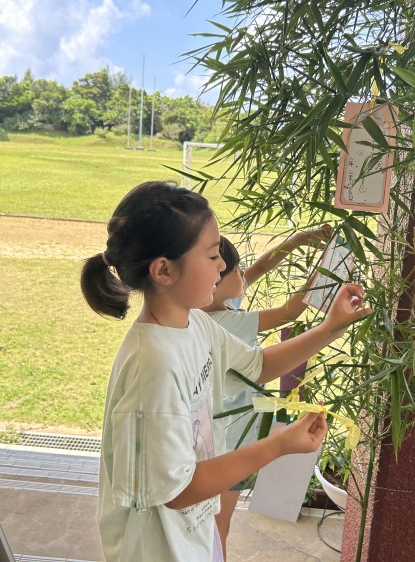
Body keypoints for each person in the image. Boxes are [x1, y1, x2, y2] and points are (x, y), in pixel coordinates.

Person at [81, 181, 369, 561]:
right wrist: (279, 445)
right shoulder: (152, 366)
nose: (223, 266)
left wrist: (329, 328)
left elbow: (259, 365)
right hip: (157, 550)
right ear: (164, 271)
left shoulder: (195, 325)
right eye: (213, 255)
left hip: (192, 535)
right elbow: (178, 490)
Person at [202, 230, 331, 556]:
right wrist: (328, 270)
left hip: (222, 433)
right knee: (220, 524)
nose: (244, 274)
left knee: (214, 521)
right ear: (215, 280)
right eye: (235, 270)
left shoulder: (215, 306)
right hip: (230, 441)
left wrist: (298, 241)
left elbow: (257, 270)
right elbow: (289, 312)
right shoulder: (227, 323)